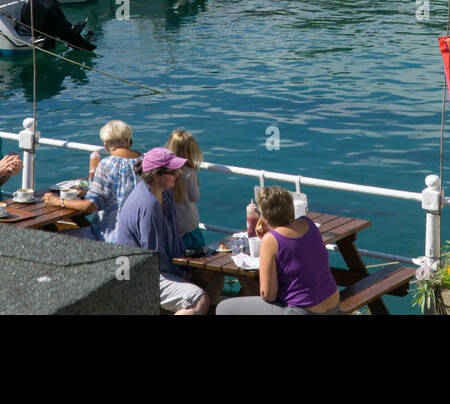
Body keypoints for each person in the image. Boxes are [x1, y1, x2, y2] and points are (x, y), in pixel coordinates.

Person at [117, 147, 220, 314]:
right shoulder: (148, 205)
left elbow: (174, 236)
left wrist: (186, 267)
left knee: (215, 277)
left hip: (160, 268)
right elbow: (152, 256)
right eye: (172, 172)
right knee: (200, 300)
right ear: (156, 175)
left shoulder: (166, 194)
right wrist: (182, 273)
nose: (177, 175)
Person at [217, 186, 341, 315]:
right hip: (333, 305)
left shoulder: (271, 239)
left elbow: (267, 294)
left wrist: (266, 239)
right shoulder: (308, 223)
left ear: (264, 216)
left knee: (223, 308)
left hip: (303, 311)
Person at [48, 119, 138, 240]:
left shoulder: (107, 165)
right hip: (139, 235)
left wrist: (58, 201)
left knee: (50, 238)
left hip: (112, 236)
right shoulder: (146, 161)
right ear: (129, 141)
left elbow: (90, 207)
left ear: (106, 146)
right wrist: (88, 192)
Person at [167, 129, 205, 251]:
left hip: (172, 226)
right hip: (189, 224)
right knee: (196, 252)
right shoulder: (189, 172)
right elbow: (194, 196)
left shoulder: (165, 171)